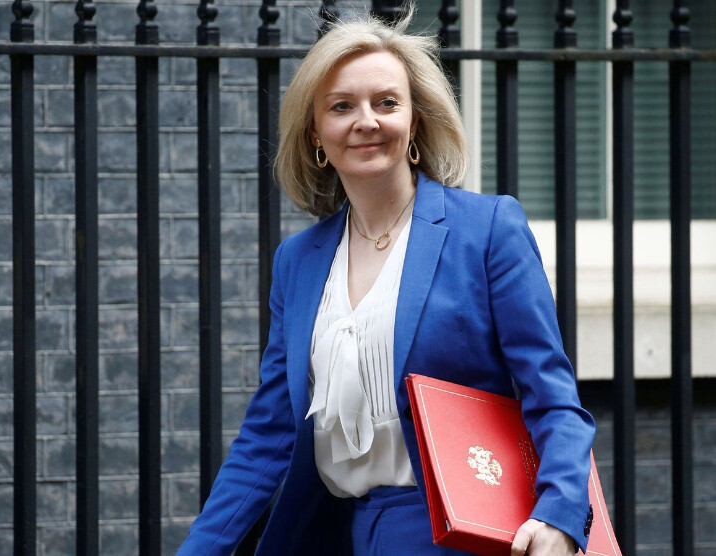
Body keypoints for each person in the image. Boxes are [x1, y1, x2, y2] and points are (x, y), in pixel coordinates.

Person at [177, 8, 596, 556]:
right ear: (316, 134)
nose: (366, 121)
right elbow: (269, 432)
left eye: (387, 102)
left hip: (455, 537)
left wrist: (560, 513)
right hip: (334, 536)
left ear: (414, 121)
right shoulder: (297, 261)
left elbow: (552, 393)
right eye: (342, 106)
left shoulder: (488, 229)